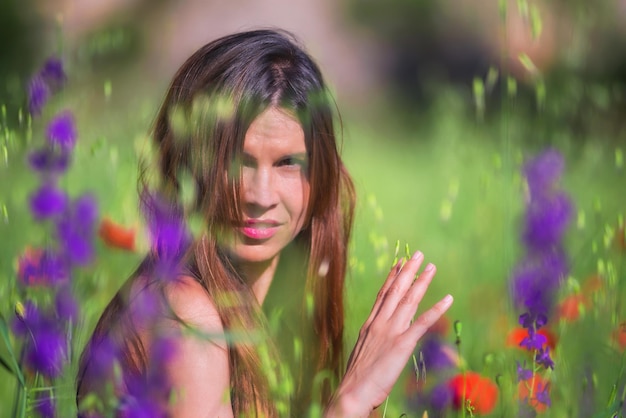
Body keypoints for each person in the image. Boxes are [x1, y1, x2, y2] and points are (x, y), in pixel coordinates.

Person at [76, 29, 453, 418]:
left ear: (321, 176)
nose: (260, 195)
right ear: (187, 163)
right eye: (237, 162)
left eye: (288, 163)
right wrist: (350, 404)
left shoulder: (270, 314)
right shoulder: (186, 321)